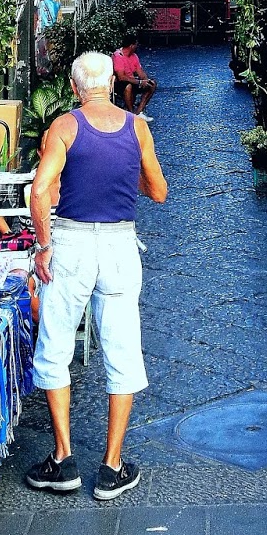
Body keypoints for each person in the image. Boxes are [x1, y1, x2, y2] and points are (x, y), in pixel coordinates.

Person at [25, 50, 167, 502]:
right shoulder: (138, 127)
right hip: (120, 246)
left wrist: (42, 245)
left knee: (55, 344)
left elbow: (40, 189)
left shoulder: (64, 127)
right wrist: (130, 178)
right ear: (111, 83)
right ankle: (111, 466)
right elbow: (159, 192)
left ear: (73, 87)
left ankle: (63, 459)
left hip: (70, 245)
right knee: (123, 349)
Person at [111, 35, 156, 117]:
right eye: (136, 44)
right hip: (120, 83)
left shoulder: (134, 56)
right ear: (131, 46)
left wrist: (145, 80)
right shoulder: (118, 56)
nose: (137, 46)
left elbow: (140, 72)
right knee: (128, 87)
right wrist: (139, 82)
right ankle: (131, 112)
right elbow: (121, 77)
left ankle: (139, 112)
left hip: (132, 80)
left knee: (152, 84)